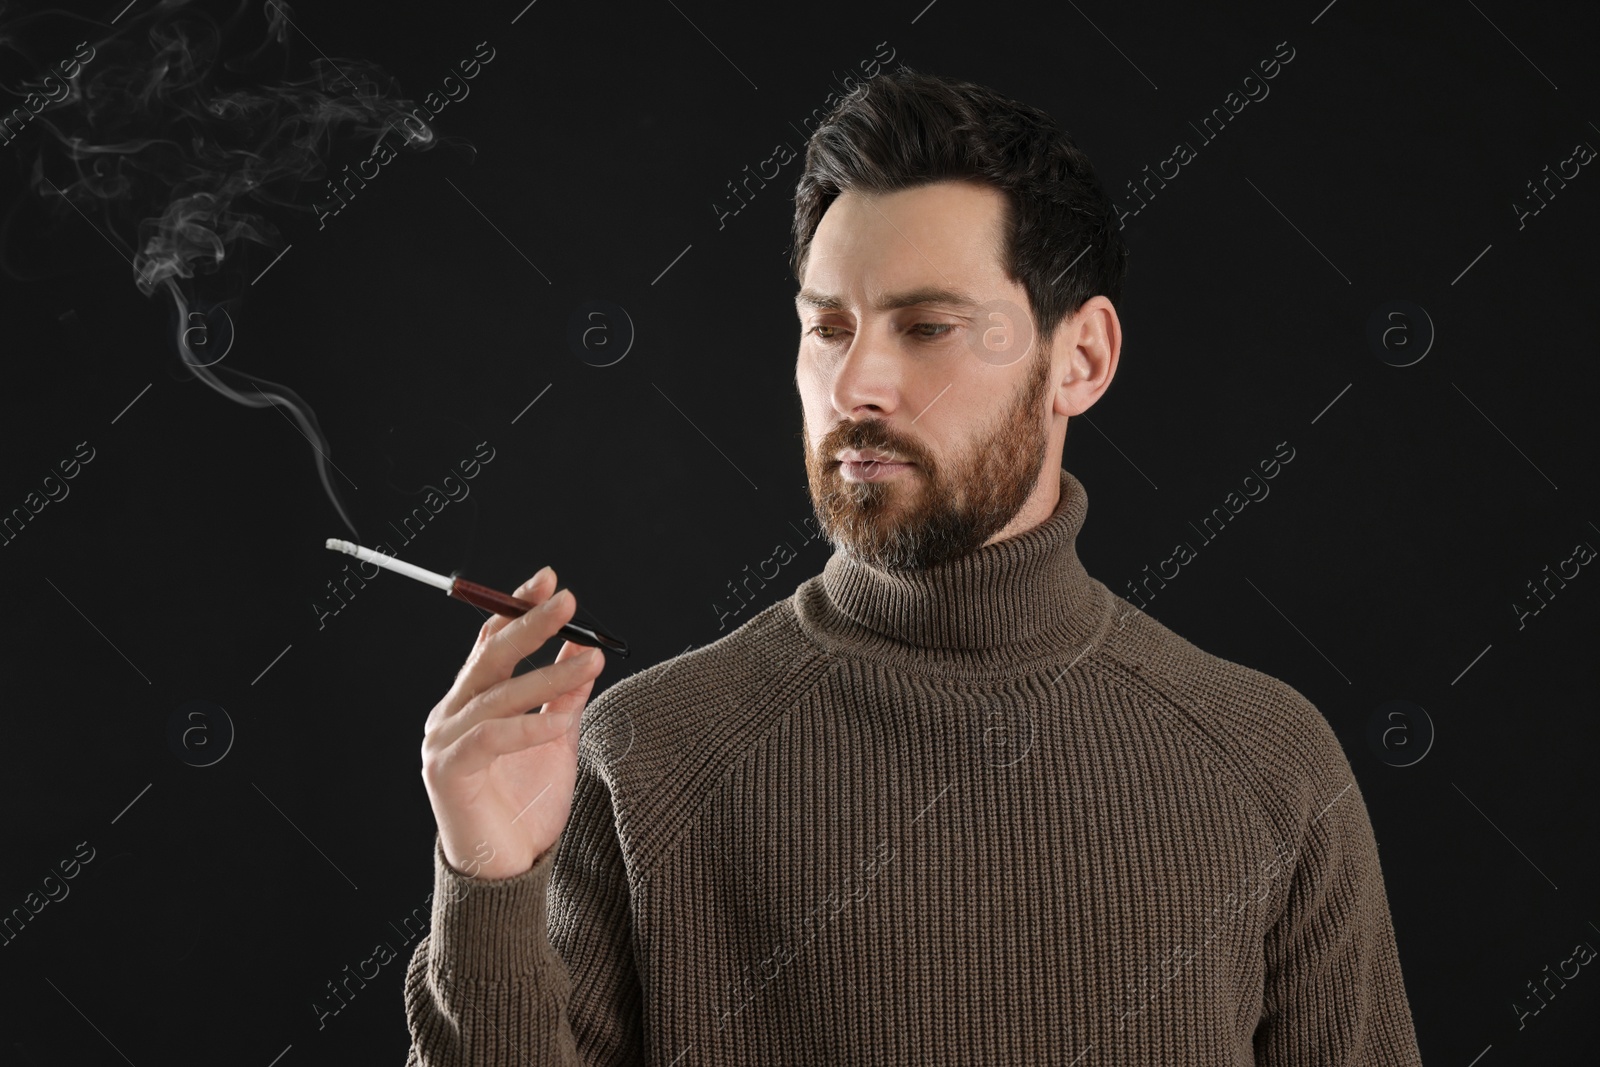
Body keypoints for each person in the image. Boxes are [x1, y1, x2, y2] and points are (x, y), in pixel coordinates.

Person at [403, 67, 1424, 1065]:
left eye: (927, 326)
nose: (857, 381)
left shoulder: (1269, 763)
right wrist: (489, 883)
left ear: (1082, 359)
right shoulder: (640, 759)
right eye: (828, 328)